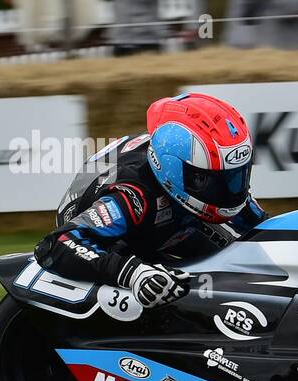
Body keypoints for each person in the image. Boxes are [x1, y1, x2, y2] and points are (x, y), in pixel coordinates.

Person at [35, 93, 265, 307]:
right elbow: (55, 244)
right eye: (215, 181)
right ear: (176, 171)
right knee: (172, 287)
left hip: (175, 219)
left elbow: (263, 228)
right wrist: (133, 274)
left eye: (236, 177)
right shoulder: (133, 196)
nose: (229, 191)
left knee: (245, 262)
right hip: (111, 243)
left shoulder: (213, 191)